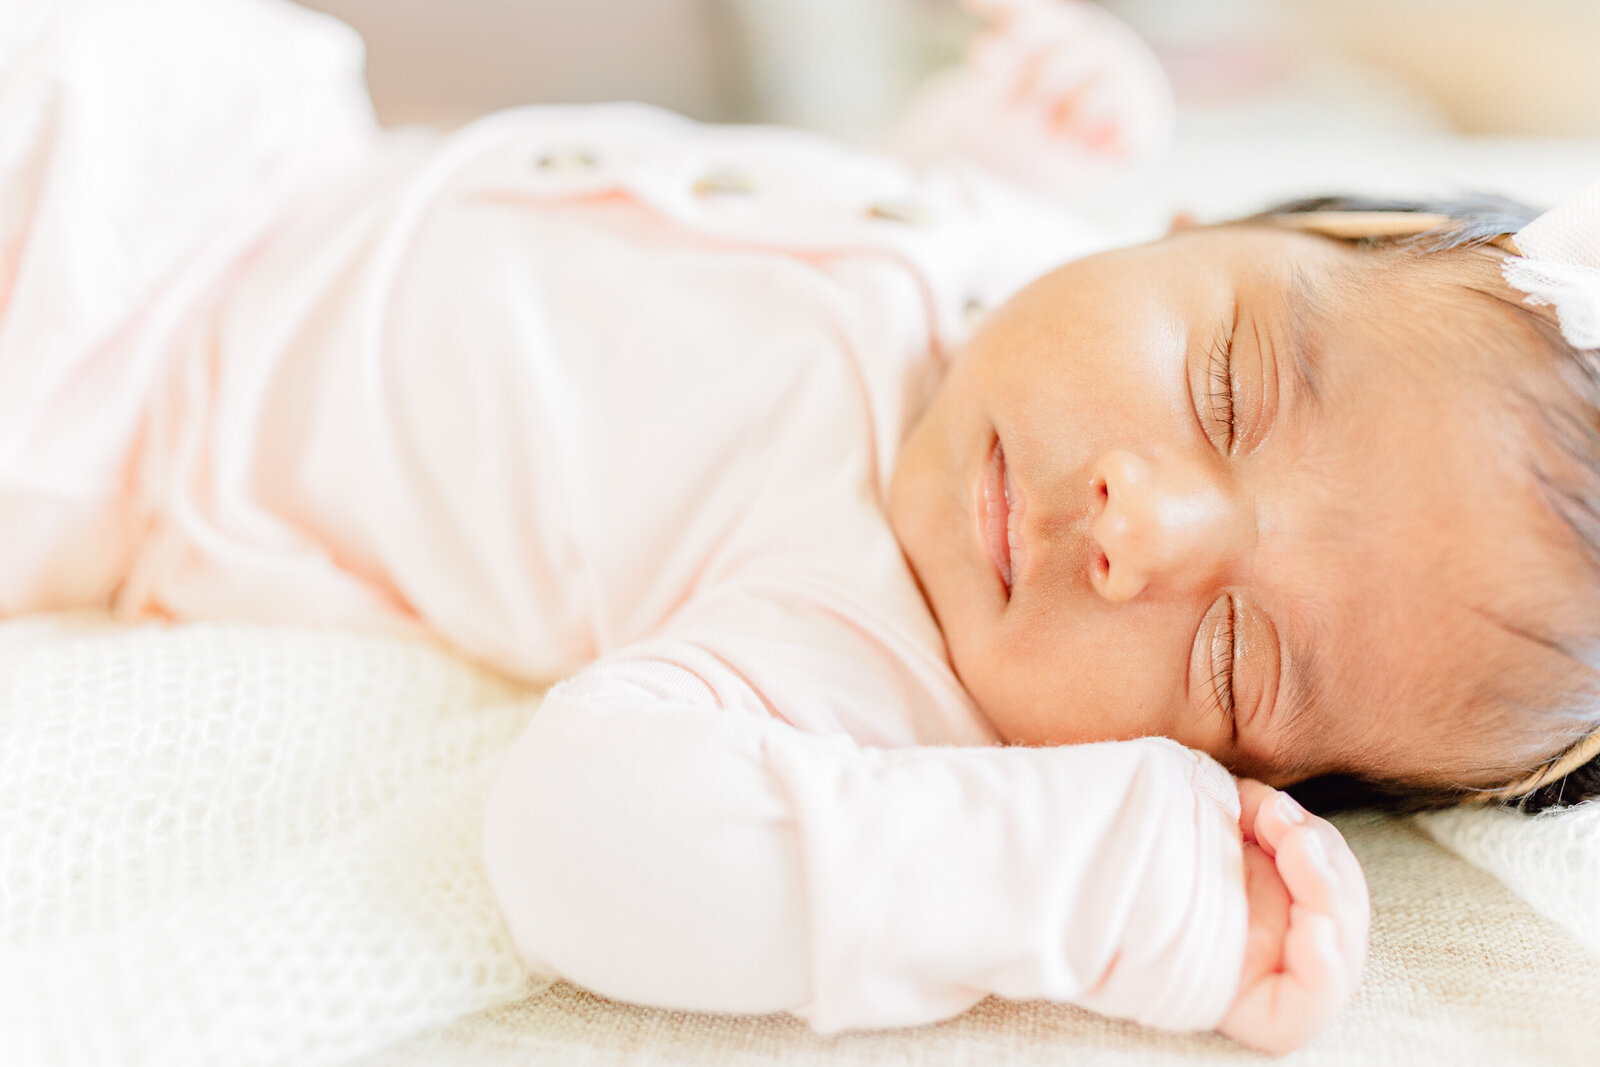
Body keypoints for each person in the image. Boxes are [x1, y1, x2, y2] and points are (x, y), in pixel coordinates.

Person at [4, 0, 1596, 1055]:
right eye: (1234, 385)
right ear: (1197, 227)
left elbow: (587, 847)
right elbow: (795, 255)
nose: (1144, 526)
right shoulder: (1021, 275)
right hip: (262, 153)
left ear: (1206, 771)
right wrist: (972, 156)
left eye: (1236, 657)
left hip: (109, 390)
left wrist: (1075, 878)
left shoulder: (868, 653)